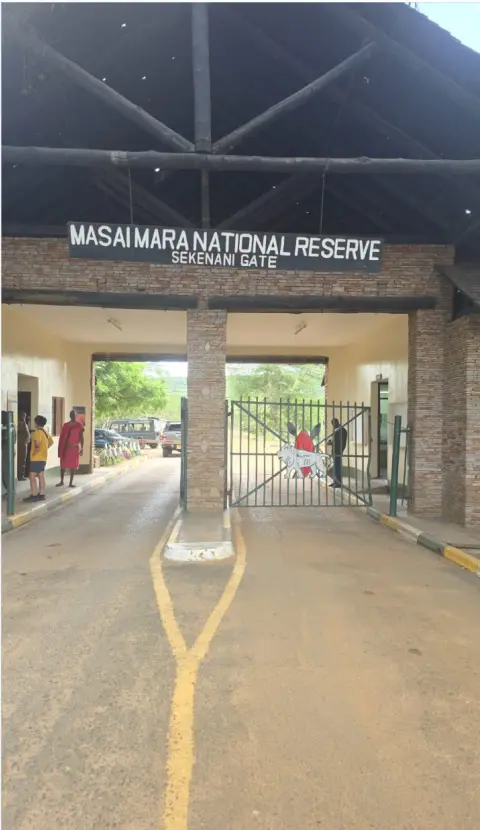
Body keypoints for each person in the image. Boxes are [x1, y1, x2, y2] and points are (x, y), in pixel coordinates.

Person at [23, 415, 54, 503]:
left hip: (36, 458)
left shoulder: (37, 432)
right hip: (43, 457)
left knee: (31, 476)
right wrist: (44, 449)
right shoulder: (45, 432)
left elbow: (37, 443)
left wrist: (35, 451)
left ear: (36, 423)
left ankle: (34, 495)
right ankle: (41, 494)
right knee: (41, 475)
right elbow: (51, 442)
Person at [56, 409, 84, 488]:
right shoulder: (66, 425)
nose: (73, 416)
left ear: (76, 416)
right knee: (63, 465)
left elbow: (81, 437)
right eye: (71, 415)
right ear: (70, 416)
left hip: (74, 448)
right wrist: (61, 448)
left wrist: (82, 448)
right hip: (66, 448)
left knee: (73, 466)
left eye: (74, 415)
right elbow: (62, 437)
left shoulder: (79, 425)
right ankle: (61, 481)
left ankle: (71, 482)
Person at [327, 417, 348, 488]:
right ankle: (335, 482)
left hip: (338, 452)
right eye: (332, 424)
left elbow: (341, 442)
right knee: (335, 468)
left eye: (334, 423)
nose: (333, 425)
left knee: (337, 468)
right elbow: (336, 442)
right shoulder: (337, 430)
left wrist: (340, 450)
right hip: (335, 451)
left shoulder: (342, 430)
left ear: (337, 422)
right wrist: (331, 443)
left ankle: (338, 483)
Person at [17, 411, 30, 481]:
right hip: (21, 444)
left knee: (24, 460)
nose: (24, 417)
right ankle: (20, 476)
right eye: (23, 416)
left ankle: (22, 474)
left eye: (25, 416)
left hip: (25, 443)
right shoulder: (19, 423)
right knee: (21, 460)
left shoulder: (24, 423)